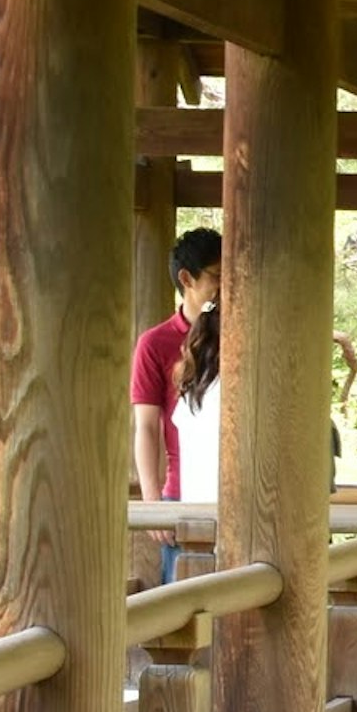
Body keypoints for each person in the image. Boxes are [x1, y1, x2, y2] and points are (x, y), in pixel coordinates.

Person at [132, 227, 225, 579]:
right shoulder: (155, 343)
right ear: (187, 278)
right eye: (217, 276)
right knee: (184, 607)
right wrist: (152, 501)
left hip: (235, 495)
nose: (226, 287)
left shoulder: (242, 334)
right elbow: (145, 426)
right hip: (180, 494)